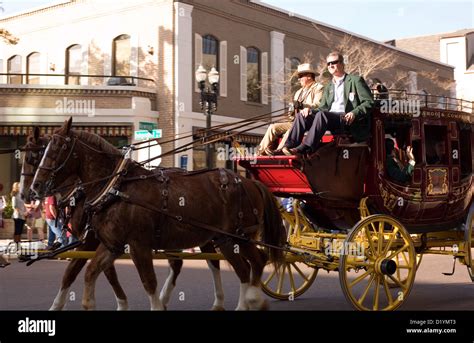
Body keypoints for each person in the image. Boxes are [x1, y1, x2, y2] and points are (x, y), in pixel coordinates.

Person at [282, 51, 374, 155]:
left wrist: (354, 113)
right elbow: (323, 108)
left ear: (342, 64)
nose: (330, 65)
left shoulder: (355, 80)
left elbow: (369, 102)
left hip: (345, 120)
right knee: (301, 115)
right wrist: (310, 111)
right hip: (328, 119)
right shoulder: (329, 86)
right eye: (328, 63)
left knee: (322, 115)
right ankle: (288, 146)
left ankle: (306, 147)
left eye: (334, 62)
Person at [257, 63, 324, 156]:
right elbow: (292, 112)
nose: (299, 79)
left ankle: (280, 151)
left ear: (309, 76)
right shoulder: (298, 92)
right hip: (295, 121)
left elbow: (318, 105)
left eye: (301, 76)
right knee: (273, 127)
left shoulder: (318, 88)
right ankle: (259, 153)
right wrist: (291, 111)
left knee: (290, 130)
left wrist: (303, 105)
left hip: (310, 122)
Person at [11, 182, 27, 246]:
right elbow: (14, 207)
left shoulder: (22, 195)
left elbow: (24, 204)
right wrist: (21, 213)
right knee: (17, 230)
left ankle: (19, 244)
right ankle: (16, 244)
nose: (21, 186)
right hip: (17, 216)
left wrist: (26, 212)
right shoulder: (15, 196)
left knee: (20, 230)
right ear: (16, 187)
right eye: (20, 185)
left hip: (23, 215)